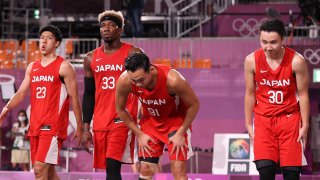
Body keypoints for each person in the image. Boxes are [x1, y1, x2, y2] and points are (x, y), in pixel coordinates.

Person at [0, 25, 82, 180]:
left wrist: (80, 125)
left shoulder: (64, 66)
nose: (44, 41)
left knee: (38, 170)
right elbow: (21, 92)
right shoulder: (32, 67)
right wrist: (6, 108)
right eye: (41, 37)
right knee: (49, 174)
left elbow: (75, 98)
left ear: (57, 43)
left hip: (52, 126)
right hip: (35, 126)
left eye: (49, 38)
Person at [116, 53, 200, 180]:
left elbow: (194, 105)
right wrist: (139, 134)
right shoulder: (125, 80)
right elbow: (120, 109)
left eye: (141, 80)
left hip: (176, 124)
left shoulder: (173, 80)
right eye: (134, 80)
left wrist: (181, 133)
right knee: (145, 170)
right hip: (150, 125)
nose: (137, 84)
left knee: (178, 170)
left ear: (152, 70)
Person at [244, 18, 309, 180]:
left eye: (273, 42)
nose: (268, 47)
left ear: (283, 40)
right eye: (264, 42)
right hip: (263, 121)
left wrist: (305, 124)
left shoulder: (297, 61)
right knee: (265, 172)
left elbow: (303, 94)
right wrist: (247, 123)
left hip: (290, 121)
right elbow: (250, 93)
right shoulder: (251, 60)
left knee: (292, 175)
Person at [80, 10, 142, 180]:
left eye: (111, 25)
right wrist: (85, 128)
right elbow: (89, 94)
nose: (106, 28)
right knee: (109, 168)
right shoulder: (90, 58)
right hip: (100, 120)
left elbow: (144, 83)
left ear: (120, 30)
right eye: (103, 25)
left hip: (122, 118)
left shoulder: (132, 53)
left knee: (112, 168)